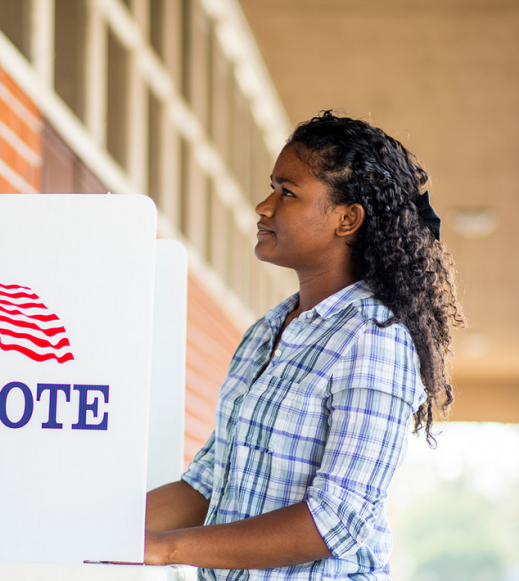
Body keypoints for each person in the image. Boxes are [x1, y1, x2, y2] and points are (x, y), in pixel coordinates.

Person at [143, 111, 464, 580]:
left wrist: (168, 550)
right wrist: (96, 528)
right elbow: (210, 482)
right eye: (273, 187)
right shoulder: (265, 332)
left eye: (287, 192)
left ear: (347, 219)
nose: (264, 206)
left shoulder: (375, 340)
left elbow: (336, 520)